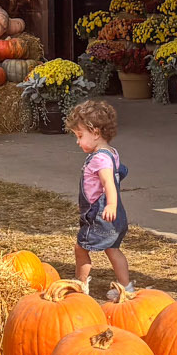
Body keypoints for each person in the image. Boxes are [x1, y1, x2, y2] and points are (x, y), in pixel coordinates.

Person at [66, 99, 130, 290]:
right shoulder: (111, 153)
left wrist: (109, 205)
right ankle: (126, 287)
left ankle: (80, 285)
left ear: (95, 133)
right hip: (117, 217)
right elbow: (120, 172)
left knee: (81, 247)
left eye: (79, 135)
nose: (77, 142)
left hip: (101, 217)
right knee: (113, 249)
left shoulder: (99, 159)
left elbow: (108, 182)